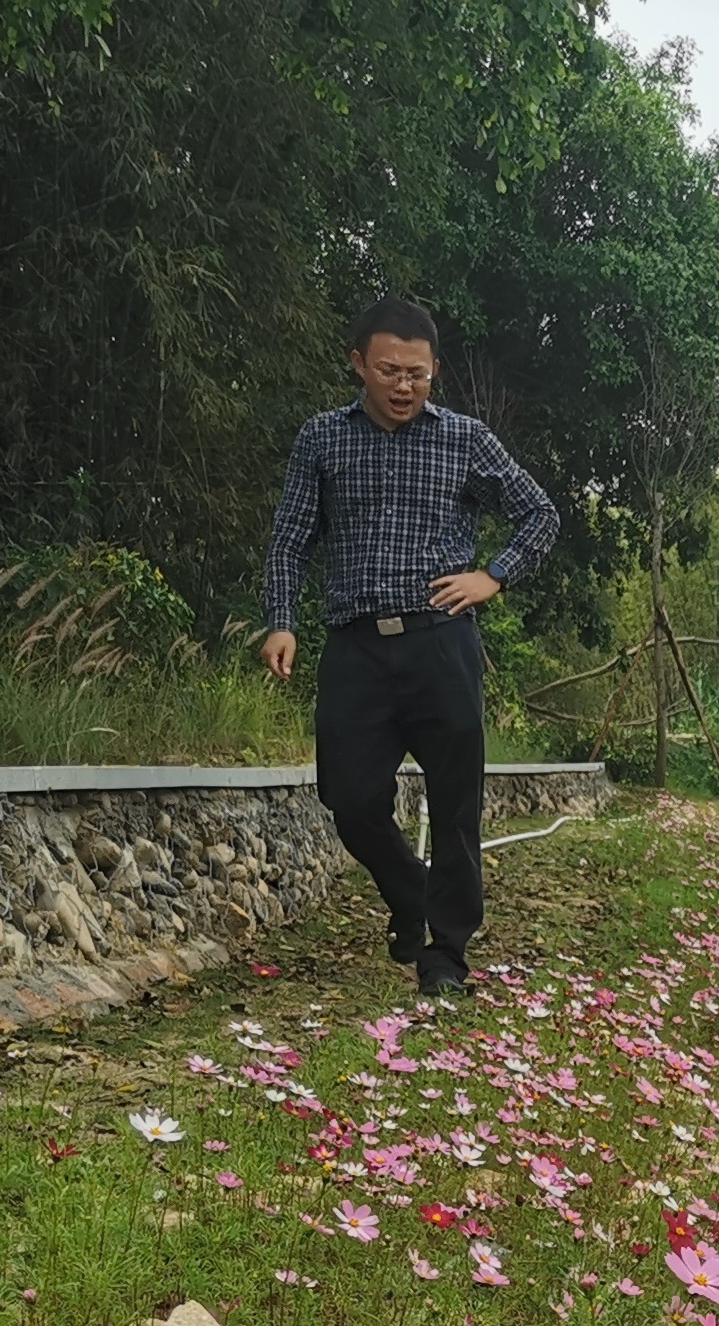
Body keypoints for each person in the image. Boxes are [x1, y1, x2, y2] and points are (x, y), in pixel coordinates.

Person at [260, 297, 556, 997]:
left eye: (418, 375)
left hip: (441, 644)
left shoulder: (465, 439)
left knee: (456, 804)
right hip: (356, 649)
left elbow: (539, 513)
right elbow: (291, 537)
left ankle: (446, 956)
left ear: (434, 372)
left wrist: (493, 575)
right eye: (389, 370)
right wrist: (281, 620)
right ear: (358, 363)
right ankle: (409, 892)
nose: (403, 386)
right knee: (349, 795)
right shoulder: (322, 439)